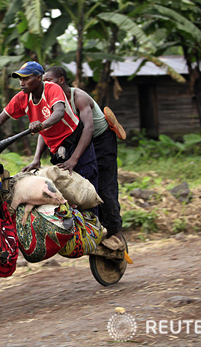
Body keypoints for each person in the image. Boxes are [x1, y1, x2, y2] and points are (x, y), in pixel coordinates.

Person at [0, 61, 99, 216]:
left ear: (39, 78)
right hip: (56, 150)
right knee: (67, 193)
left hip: (74, 141)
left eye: (26, 78)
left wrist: (73, 158)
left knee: (86, 190)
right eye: (20, 79)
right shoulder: (21, 98)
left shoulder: (52, 89)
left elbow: (58, 113)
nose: (22, 83)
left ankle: (95, 231)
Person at [39, 66, 125, 248]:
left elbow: (89, 129)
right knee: (79, 187)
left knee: (103, 187)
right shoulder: (51, 101)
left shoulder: (78, 97)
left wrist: (74, 160)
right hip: (77, 144)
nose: (46, 85)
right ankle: (92, 229)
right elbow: (44, 129)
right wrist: (36, 158)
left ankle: (115, 233)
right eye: (44, 82)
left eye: (50, 81)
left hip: (100, 141)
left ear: (61, 80)